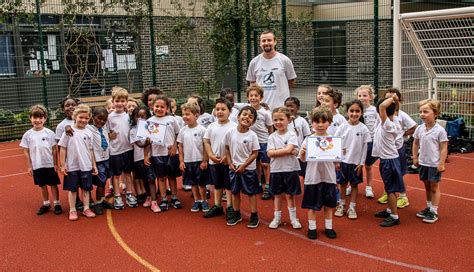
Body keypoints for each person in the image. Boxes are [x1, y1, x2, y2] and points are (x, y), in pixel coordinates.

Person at [299, 107, 338, 240]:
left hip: (328, 177)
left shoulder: (333, 140)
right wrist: (303, 151)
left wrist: (338, 157)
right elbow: (302, 159)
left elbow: (337, 160)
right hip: (313, 177)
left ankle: (328, 227)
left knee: (328, 204)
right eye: (317, 121)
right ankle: (312, 228)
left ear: (330, 122)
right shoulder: (308, 139)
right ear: (312, 123)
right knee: (312, 205)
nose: (320, 125)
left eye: (324, 121)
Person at [377, 88, 417, 209]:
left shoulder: (392, 119)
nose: (390, 101)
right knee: (389, 178)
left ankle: (402, 197)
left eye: (392, 99)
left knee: (398, 175)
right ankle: (389, 195)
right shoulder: (388, 118)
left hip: (395, 150)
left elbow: (414, 126)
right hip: (387, 152)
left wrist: (404, 134)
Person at [20, 105, 62, 215]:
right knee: (42, 185)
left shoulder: (50, 133)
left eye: (41, 118)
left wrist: (55, 163)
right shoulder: (27, 135)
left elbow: (54, 150)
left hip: (49, 164)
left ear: (45, 119)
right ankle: (46, 204)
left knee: (53, 184)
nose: (38, 120)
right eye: (35, 117)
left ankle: (57, 203)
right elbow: (26, 151)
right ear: (30, 118)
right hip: (37, 165)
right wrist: (29, 166)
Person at [58, 104, 98, 221]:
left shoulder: (89, 132)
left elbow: (91, 150)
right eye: (81, 117)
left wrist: (93, 164)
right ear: (75, 116)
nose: (83, 120)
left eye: (86, 118)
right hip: (72, 166)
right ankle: (72, 209)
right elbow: (63, 148)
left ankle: (86, 208)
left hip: (85, 165)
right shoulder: (69, 131)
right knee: (72, 189)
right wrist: (62, 164)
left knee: (86, 188)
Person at [224, 106, 261, 228]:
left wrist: (244, 165)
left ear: (253, 122)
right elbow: (227, 148)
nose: (247, 117)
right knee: (235, 192)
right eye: (244, 114)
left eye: (250, 117)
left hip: (248, 169)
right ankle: (236, 213)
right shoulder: (230, 132)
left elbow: (255, 153)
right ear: (238, 116)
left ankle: (254, 215)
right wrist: (229, 162)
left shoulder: (252, 135)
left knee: (251, 193)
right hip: (233, 168)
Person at [412, 99, 448, 224]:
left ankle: (434, 210)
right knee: (426, 186)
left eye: (426, 112)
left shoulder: (439, 130)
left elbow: (443, 147)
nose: (422, 114)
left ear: (436, 113)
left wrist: (441, 163)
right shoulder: (419, 129)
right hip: (423, 162)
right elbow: (415, 143)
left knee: (434, 187)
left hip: (434, 163)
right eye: (420, 112)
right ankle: (428, 207)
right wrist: (415, 157)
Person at [144, 95, 182, 211]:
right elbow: (147, 141)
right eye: (157, 106)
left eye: (162, 107)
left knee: (171, 176)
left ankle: (174, 197)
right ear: (152, 107)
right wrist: (146, 155)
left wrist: (175, 147)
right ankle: (164, 198)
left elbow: (178, 134)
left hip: (171, 153)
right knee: (161, 177)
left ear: (167, 108)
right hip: (157, 154)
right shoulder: (149, 121)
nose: (159, 109)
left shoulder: (172, 119)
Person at [334, 100, 371, 219]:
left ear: (361, 113)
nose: (354, 114)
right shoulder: (342, 127)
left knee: (354, 185)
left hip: (356, 163)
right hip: (343, 162)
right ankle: (341, 205)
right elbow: (336, 144)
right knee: (342, 184)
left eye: (357, 111)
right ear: (347, 111)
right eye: (352, 111)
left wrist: (361, 163)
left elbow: (365, 147)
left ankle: (352, 207)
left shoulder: (363, 128)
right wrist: (337, 160)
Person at [267, 106, 302, 229]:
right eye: (275, 120)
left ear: (289, 120)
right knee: (277, 195)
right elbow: (270, 153)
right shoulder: (272, 137)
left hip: (290, 169)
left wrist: (278, 151)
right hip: (276, 169)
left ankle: (293, 218)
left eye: (281, 119)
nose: (278, 122)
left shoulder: (292, 134)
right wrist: (286, 150)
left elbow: (289, 149)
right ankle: (277, 218)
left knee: (290, 195)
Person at [372, 94, 404, 227]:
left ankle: (394, 216)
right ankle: (390, 210)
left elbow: (381, 106)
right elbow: (393, 108)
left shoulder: (388, 124)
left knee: (390, 189)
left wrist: (393, 97)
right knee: (388, 186)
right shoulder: (393, 119)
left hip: (389, 160)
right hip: (387, 159)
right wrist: (395, 101)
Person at [203, 98, 237, 219]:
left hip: (228, 162)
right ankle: (217, 206)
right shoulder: (211, 126)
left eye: (223, 109)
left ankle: (229, 207)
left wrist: (227, 158)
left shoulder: (234, 126)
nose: (220, 112)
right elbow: (206, 141)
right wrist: (211, 155)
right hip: (214, 160)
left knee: (228, 185)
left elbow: (235, 144)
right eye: (217, 109)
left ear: (230, 111)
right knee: (217, 185)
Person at [246, 31, 296, 110]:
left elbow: (291, 82)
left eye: (269, 40)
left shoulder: (285, 60)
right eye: (263, 41)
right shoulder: (254, 62)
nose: (266, 43)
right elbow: (252, 84)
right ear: (260, 43)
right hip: (261, 108)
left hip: (281, 108)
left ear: (275, 42)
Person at [107, 86, 137, 209]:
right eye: (117, 101)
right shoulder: (109, 117)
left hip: (128, 149)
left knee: (128, 173)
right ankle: (117, 195)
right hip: (115, 150)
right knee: (115, 175)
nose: (120, 104)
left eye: (122, 101)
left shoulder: (129, 116)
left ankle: (129, 193)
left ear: (126, 102)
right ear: (113, 102)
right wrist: (109, 136)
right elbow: (105, 132)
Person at [177, 102, 210, 212]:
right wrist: (181, 161)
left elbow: (206, 147)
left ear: (196, 115)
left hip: (199, 160)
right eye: (183, 114)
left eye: (187, 114)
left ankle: (204, 201)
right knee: (193, 183)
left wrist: (205, 161)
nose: (184, 117)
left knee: (201, 183)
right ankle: (197, 201)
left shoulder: (202, 130)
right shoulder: (182, 131)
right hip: (188, 161)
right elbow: (180, 146)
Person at [348, 85, 378, 199]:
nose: (362, 98)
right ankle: (351, 184)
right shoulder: (355, 110)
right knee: (354, 163)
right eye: (359, 95)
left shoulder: (375, 110)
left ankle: (369, 187)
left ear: (370, 97)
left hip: (369, 140)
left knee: (368, 166)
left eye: (365, 95)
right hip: (357, 141)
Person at [129, 107, 160, 213]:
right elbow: (140, 144)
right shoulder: (133, 130)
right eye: (138, 116)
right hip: (138, 158)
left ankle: (154, 202)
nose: (140, 119)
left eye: (143, 116)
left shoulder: (151, 127)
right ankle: (149, 196)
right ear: (134, 117)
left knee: (151, 178)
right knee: (144, 179)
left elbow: (157, 140)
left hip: (150, 157)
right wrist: (147, 142)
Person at [55, 96, 83, 211]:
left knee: (85, 179)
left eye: (73, 104)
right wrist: (62, 163)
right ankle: (76, 201)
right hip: (70, 159)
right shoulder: (61, 126)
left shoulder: (82, 119)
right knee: (74, 181)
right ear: (63, 109)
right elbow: (60, 146)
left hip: (82, 156)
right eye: (67, 105)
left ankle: (88, 199)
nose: (70, 107)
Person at [247, 85, 273, 200]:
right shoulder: (246, 111)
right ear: (248, 98)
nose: (253, 98)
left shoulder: (265, 113)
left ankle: (267, 185)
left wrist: (271, 141)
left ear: (261, 97)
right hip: (252, 142)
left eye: (256, 96)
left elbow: (270, 128)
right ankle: (257, 184)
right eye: (251, 96)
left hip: (263, 141)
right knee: (255, 164)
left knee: (265, 164)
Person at [87, 107, 114, 215]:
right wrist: (67, 126)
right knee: (100, 183)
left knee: (105, 181)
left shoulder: (104, 127)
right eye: (99, 118)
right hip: (97, 160)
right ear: (93, 117)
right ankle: (97, 203)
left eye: (104, 120)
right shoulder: (88, 128)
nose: (101, 121)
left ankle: (102, 200)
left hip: (106, 158)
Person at [285, 97, 311, 180]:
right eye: (287, 106)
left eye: (292, 106)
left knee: (301, 175)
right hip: (287, 153)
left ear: (298, 108)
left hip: (300, 154)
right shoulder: (283, 120)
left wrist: (302, 151)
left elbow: (307, 136)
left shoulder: (302, 121)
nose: (289, 108)